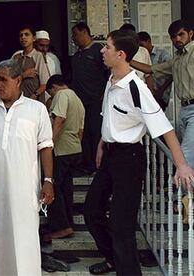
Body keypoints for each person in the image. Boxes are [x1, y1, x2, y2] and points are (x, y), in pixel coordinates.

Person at [84, 29, 194, 275]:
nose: (102, 51)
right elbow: (110, 116)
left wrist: (182, 165)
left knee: (121, 226)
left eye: (107, 47)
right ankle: (113, 258)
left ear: (121, 54)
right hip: (111, 155)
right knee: (92, 211)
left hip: (129, 159)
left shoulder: (137, 88)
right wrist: (103, 143)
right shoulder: (111, 80)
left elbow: (165, 130)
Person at [0, 59, 54, 275]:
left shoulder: (37, 109)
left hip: (25, 192)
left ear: (18, 80)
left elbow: (45, 146)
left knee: (24, 242)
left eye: (3, 79)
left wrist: (48, 181)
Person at [131, 19, 194, 170]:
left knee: (184, 155)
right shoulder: (177, 58)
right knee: (185, 153)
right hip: (184, 109)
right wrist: (126, 60)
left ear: (190, 34)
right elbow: (150, 69)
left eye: (181, 35)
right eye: (173, 36)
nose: (177, 39)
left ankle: (185, 193)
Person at [44, 74, 84, 240]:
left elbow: (59, 119)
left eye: (50, 93)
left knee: (54, 188)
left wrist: (49, 142)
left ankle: (61, 227)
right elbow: (81, 130)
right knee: (66, 188)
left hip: (61, 149)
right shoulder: (78, 99)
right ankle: (69, 223)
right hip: (74, 148)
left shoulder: (61, 95)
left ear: (53, 87)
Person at [70, 22, 109, 174]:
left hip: (96, 101)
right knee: (83, 134)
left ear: (84, 32)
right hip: (80, 103)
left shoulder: (98, 51)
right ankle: (86, 165)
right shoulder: (77, 55)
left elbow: (108, 74)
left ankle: (97, 165)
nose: (73, 38)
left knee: (95, 133)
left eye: (75, 34)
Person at [12, 25, 50, 103]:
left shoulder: (38, 56)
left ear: (33, 38)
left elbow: (45, 83)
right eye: (21, 35)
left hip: (34, 101)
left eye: (27, 34)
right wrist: (23, 75)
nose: (23, 37)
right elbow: (10, 80)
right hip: (18, 100)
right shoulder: (16, 57)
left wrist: (34, 95)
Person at [138, 31, 173, 110]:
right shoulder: (141, 55)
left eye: (142, 45)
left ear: (149, 41)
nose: (141, 48)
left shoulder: (162, 54)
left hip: (160, 95)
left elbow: (172, 73)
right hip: (147, 95)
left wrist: (161, 90)